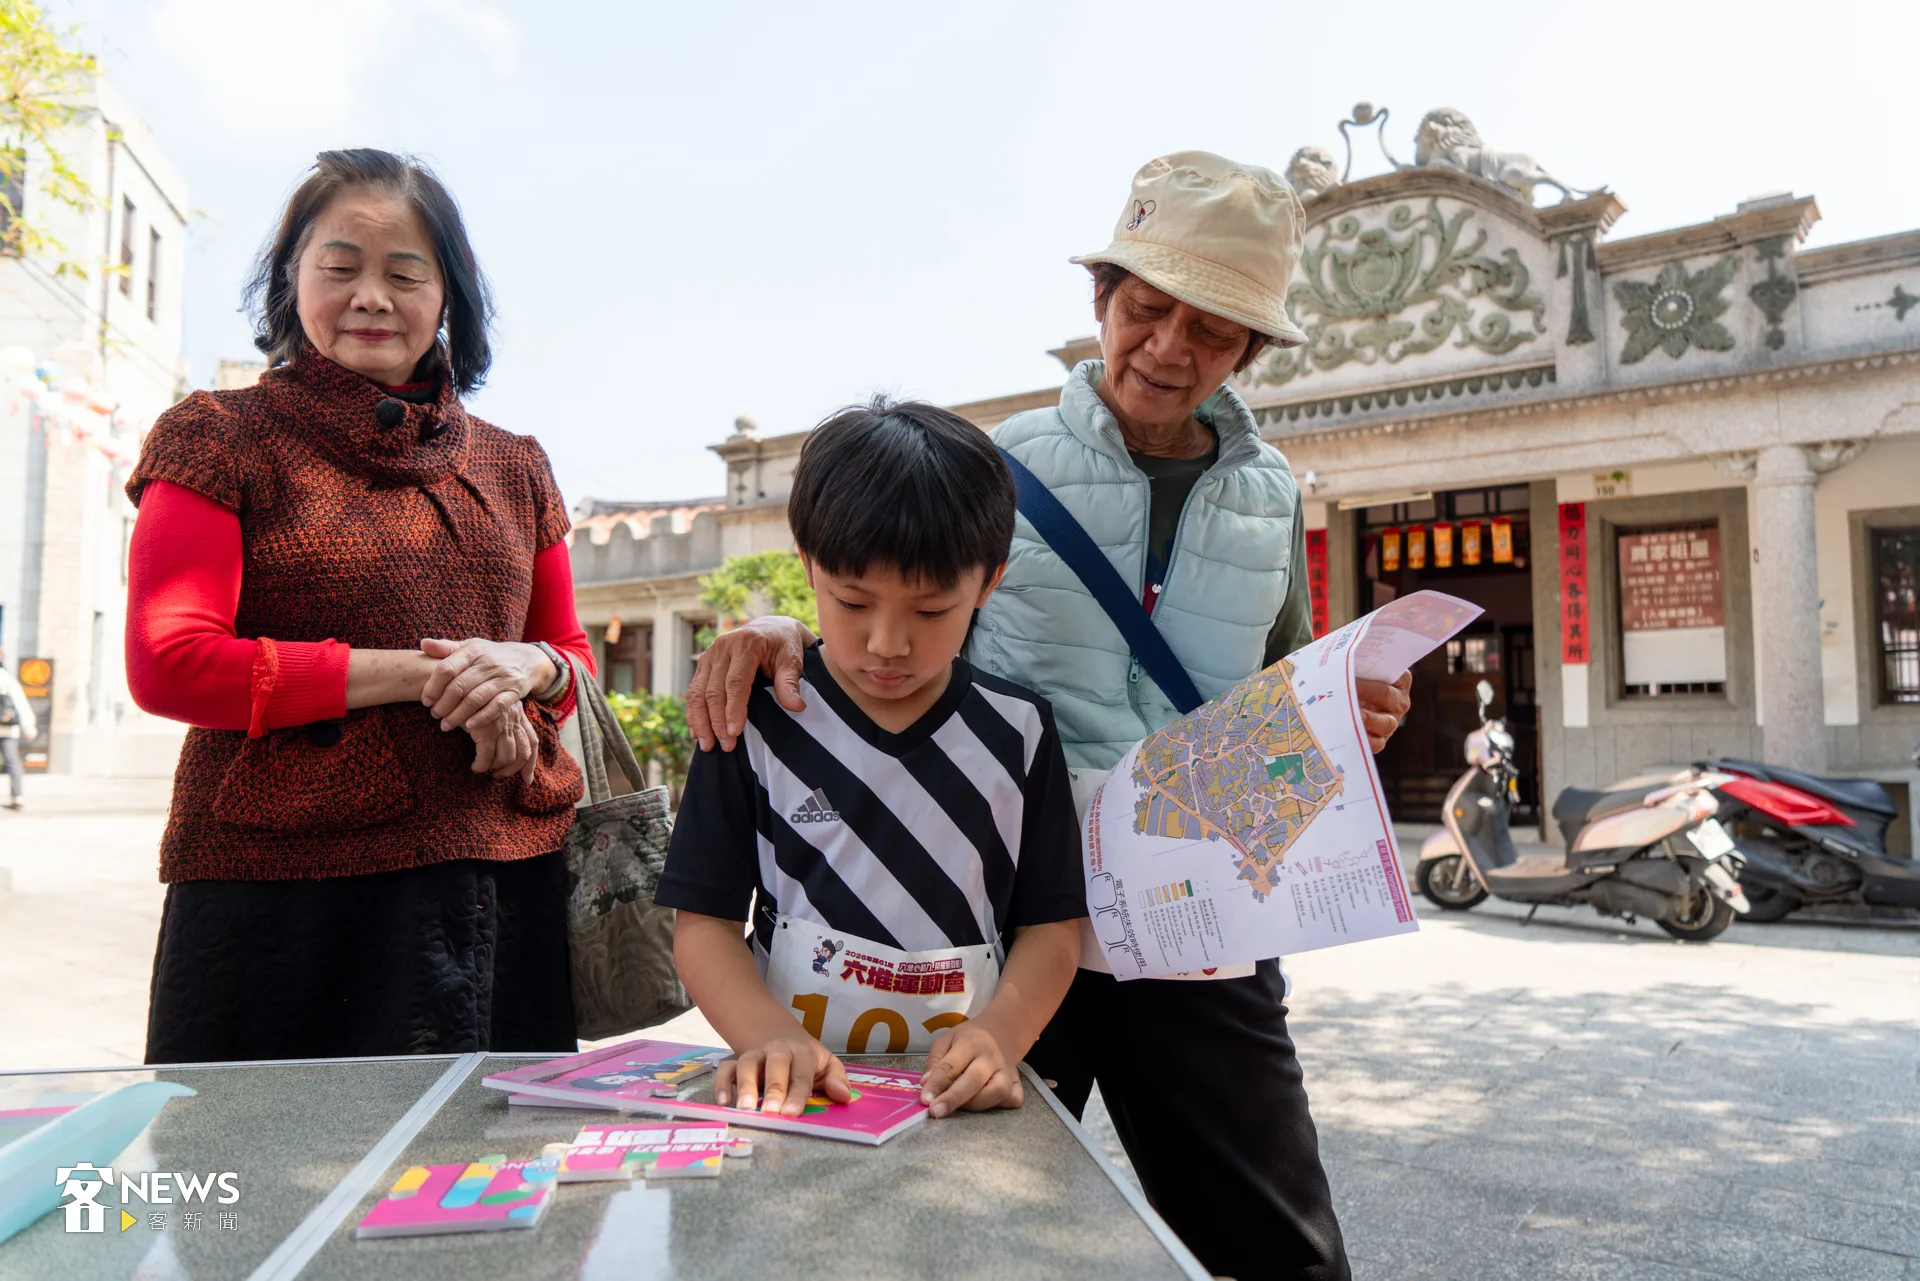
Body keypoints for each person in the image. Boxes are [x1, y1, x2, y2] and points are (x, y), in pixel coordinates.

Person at [686, 152, 1414, 1281]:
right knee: (953, 1229)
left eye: (1211, 331)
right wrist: (784, 630)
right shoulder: (1004, 467)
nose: (1169, 349)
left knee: (1278, 1246)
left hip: (1199, 919)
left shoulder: (1273, 497)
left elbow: (1275, 692)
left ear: (1251, 350)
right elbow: (902, 618)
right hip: (1015, 920)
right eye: (1145, 309)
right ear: (1101, 300)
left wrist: (1341, 711)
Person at [124, 149, 595, 1064]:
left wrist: (518, 670)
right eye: (340, 267)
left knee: (487, 1178)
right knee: (256, 1187)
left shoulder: (517, 464)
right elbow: (171, 659)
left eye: (405, 274)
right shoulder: (216, 436)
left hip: (500, 883)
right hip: (276, 897)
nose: (371, 296)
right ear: (291, 278)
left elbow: (565, 651)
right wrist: (431, 676)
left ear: (447, 295)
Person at [656, 398, 1086, 1122]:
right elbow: (703, 922)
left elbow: (1051, 928)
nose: (888, 643)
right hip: (795, 1096)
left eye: (930, 611)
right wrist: (766, 1035)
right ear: (808, 566)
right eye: (852, 602)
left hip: (954, 1099)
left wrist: (1000, 1037)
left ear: (989, 582)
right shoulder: (753, 719)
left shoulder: (1019, 730)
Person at [0, 649, 37, 811]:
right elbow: (20, 702)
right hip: (8, 730)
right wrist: (29, 727)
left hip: (7, 730)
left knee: (12, 762)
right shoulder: (6, 677)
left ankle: (17, 797)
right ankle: (18, 797)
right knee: (12, 762)